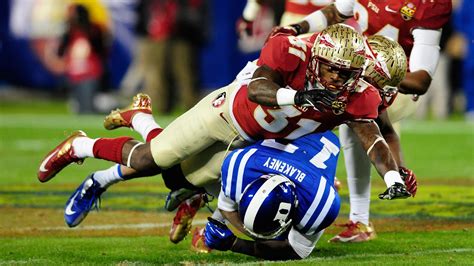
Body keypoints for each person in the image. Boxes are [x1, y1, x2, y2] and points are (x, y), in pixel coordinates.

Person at [38, 24, 411, 228]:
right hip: (225, 114)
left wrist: (393, 178)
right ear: (320, 57)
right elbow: (259, 89)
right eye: (335, 70)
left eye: (350, 74)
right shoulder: (293, 50)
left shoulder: (358, 93)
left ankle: (146, 128)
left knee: (178, 180)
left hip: (253, 142)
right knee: (153, 159)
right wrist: (297, 98)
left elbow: (374, 137)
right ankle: (82, 147)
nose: (339, 79)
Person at [271, 0, 451, 242]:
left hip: (396, 86)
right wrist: (297, 28)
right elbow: (336, 11)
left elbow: (421, 80)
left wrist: (377, 73)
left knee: (352, 114)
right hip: (359, 74)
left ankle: (357, 215)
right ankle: (307, 175)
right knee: (308, 98)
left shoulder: (428, 5)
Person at [196, 131, 342, 260]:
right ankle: (191, 191)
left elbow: (297, 251)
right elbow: (226, 207)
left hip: (321, 138)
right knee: (204, 179)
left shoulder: (319, 200)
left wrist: (235, 244)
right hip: (282, 139)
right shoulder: (242, 166)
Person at [57, 3, 109, 114]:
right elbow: (60, 52)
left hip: (90, 73)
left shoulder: (94, 29)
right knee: (77, 109)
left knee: (87, 109)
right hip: (74, 74)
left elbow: (101, 50)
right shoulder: (70, 31)